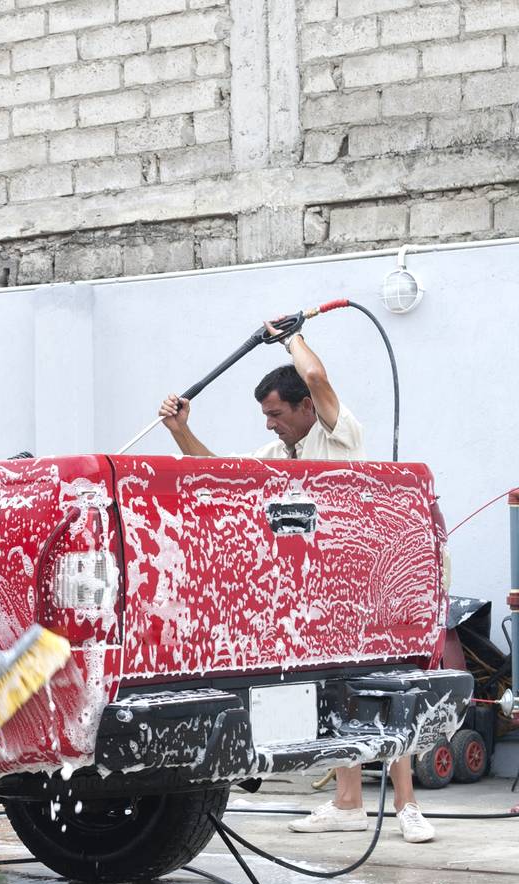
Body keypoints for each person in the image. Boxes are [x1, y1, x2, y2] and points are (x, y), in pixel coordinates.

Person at [157, 324, 434, 844]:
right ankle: (348, 802)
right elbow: (218, 473)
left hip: (366, 582)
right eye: (266, 415)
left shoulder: (338, 433)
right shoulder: (279, 454)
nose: (271, 423)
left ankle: (407, 805)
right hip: (318, 590)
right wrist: (179, 430)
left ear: (307, 408)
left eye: (277, 413)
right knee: (338, 692)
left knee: (383, 690)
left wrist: (291, 335)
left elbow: (315, 374)